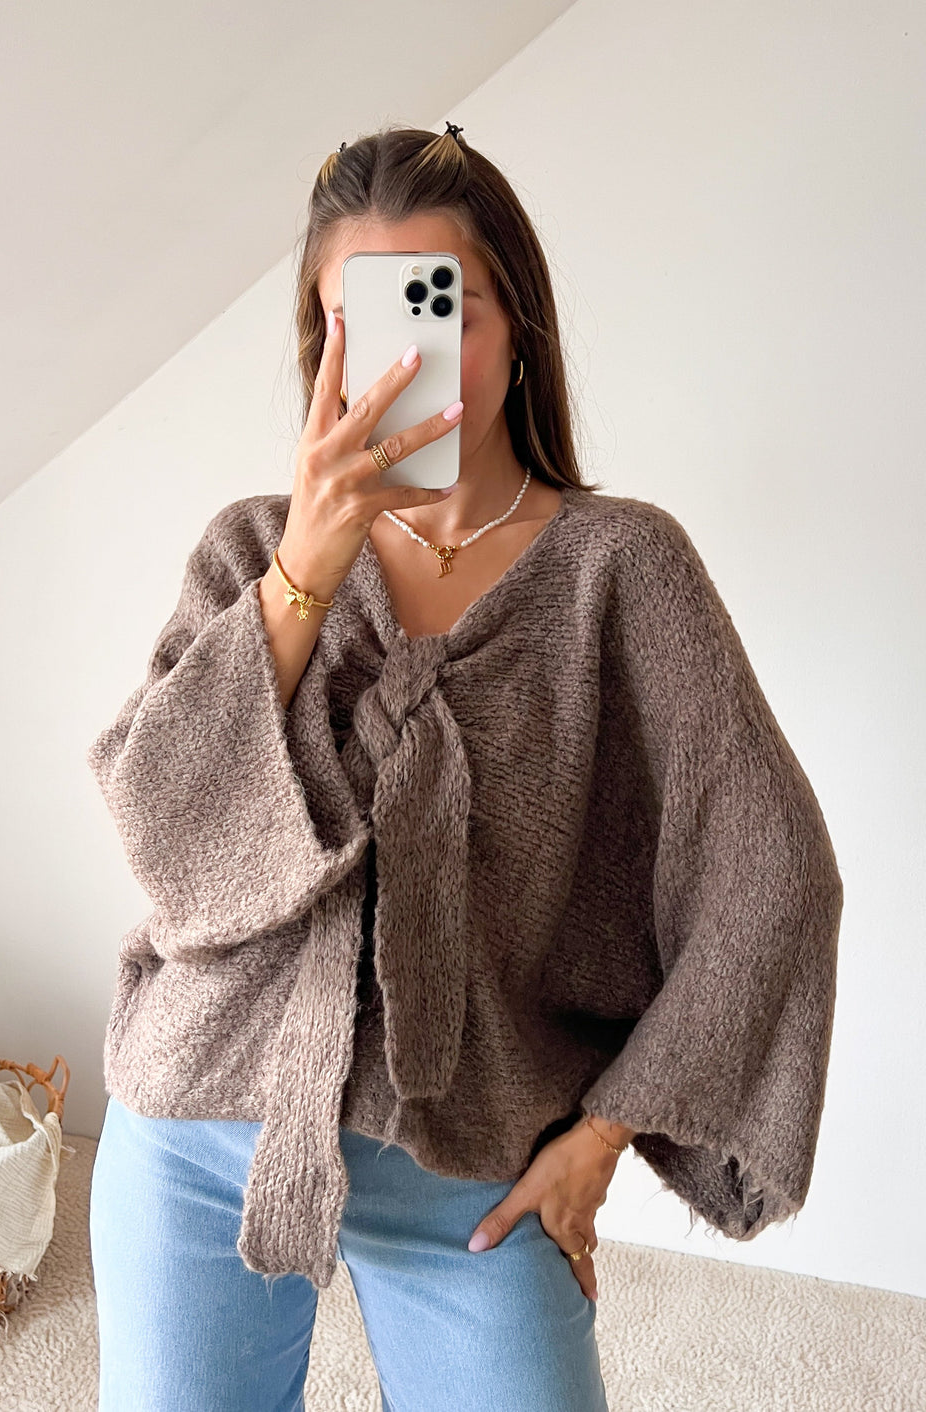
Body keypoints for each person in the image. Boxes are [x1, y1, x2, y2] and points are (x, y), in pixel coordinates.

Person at [87, 123, 842, 1412]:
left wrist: (605, 1133)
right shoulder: (251, 552)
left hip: (472, 1167)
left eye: (439, 308)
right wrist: (307, 570)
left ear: (517, 326)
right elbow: (164, 834)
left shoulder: (621, 568)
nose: (394, 356)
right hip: (203, 1122)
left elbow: (774, 873)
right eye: (352, 321)